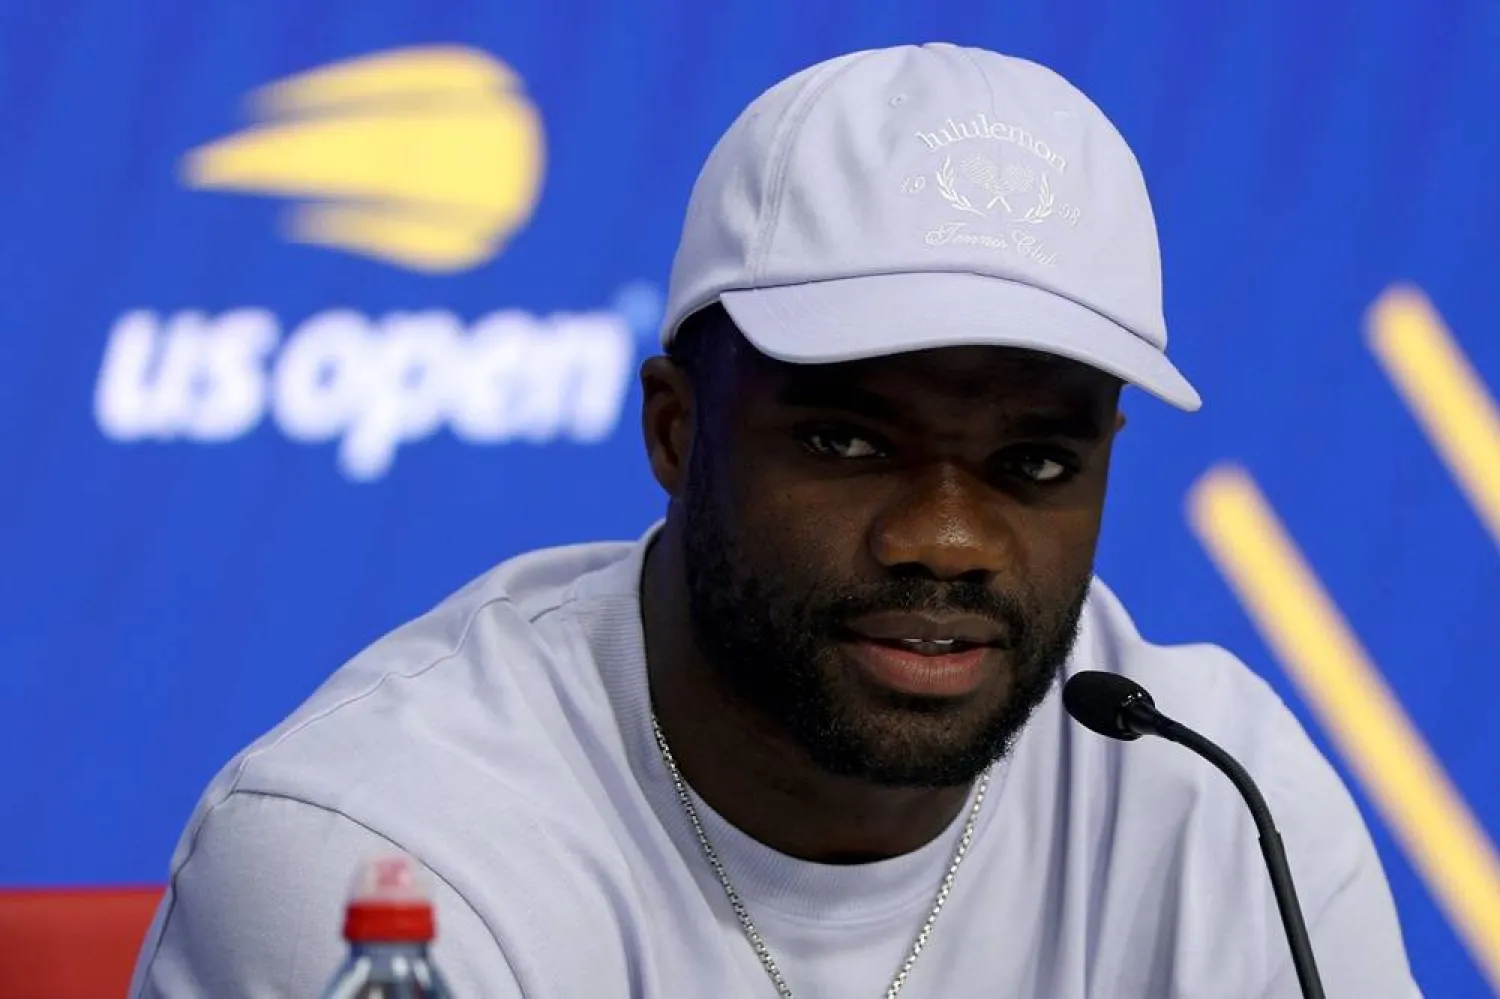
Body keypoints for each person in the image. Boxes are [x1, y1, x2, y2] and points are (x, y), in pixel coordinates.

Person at [129, 42, 1421, 998]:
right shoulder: (384, 861)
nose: (948, 538)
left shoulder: (1215, 792)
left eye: (1033, 460)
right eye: (850, 441)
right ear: (675, 431)